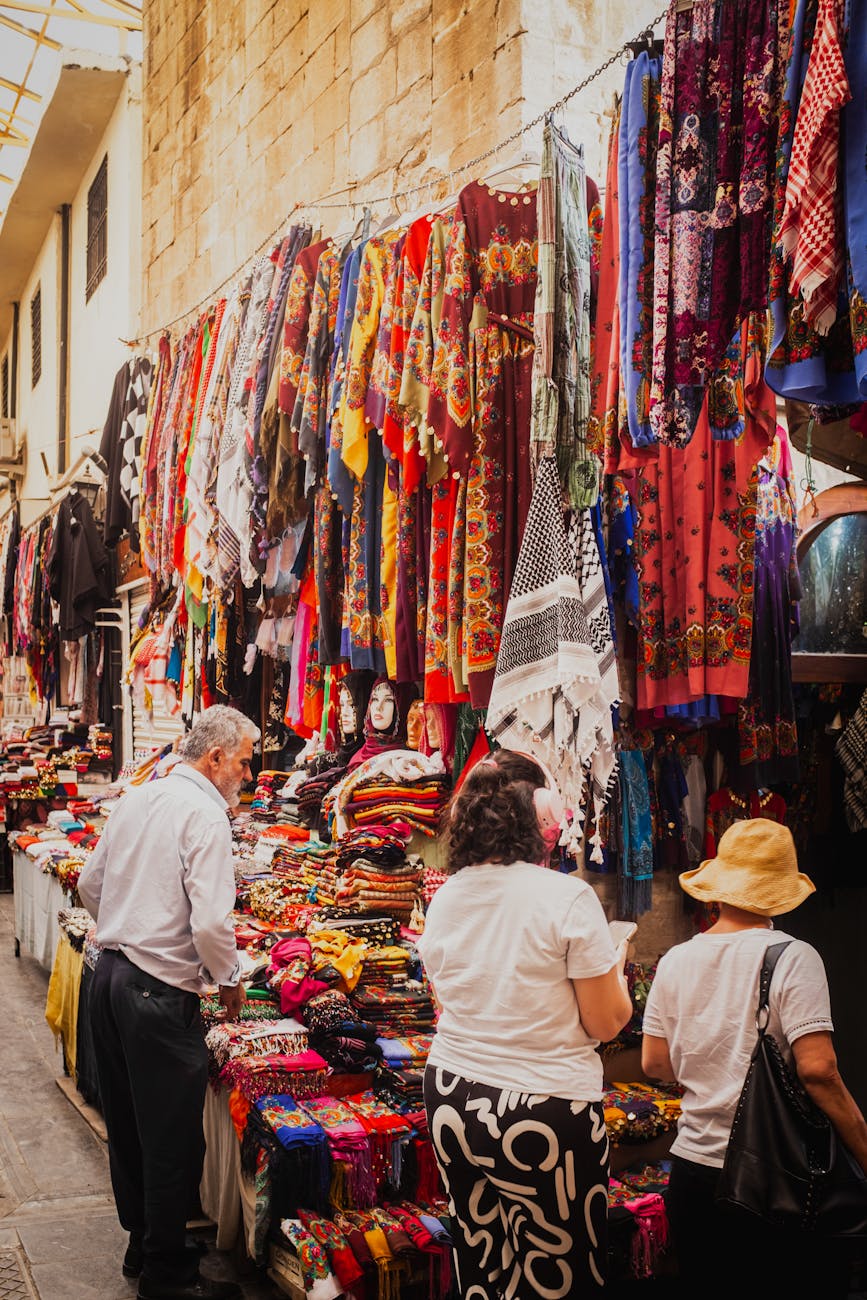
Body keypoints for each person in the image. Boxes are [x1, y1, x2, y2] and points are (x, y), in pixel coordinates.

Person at [417, 752, 633, 1296]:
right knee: (559, 1274)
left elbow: (453, 991)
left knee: (481, 1262)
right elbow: (606, 1022)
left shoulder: (448, 894)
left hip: (452, 1095)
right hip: (542, 1107)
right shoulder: (568, 896)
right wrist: (618, 971)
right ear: (542, 815)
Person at [641, 817, 867, 1298]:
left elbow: (655, 1065)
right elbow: (819, 1071)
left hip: (692, 1173)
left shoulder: (675, 960)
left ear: (718, 889)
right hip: (774, 1175)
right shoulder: (794, 956)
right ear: (779, 893)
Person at [78, 705, 260, 1300]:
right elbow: (210, 923)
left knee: (130, 1125)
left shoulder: (139, 797)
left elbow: (88, 884)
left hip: (107, 979)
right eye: (244, 762)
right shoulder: (205, 815)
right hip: (155, 994)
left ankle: (146, 1244)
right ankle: (167, 1275)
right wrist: (228, 977)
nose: (248, 774)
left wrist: (127, 929)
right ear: (215, 757)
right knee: (171, 1137)